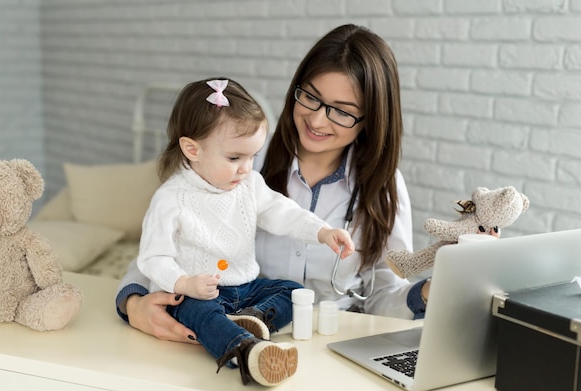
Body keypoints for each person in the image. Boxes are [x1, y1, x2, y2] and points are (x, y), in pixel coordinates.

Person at [116, 23, 432, 345]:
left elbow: (383, 295)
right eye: (310, 97)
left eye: (341, 112)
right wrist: (133, 303)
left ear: (372, 119)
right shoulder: (237, 157)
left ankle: (256, 326)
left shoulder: (383, 186)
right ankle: (241, 343)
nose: (318, 120)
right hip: (225, 315)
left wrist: (426, 293)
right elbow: (162, 249)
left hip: (334, 337)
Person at [135, 77, 355, 387]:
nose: (246, 168)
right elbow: (153, 257)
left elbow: (281, 212)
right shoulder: (171, 198)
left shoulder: (249, 185)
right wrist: (185, 283)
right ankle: (250, 354)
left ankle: (251, 320)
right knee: (201, 313)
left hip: (245, 289)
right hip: (196, 294)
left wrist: (321, 232)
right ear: (192, 149)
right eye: (235, 158)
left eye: (252, 157)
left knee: (294, 291)